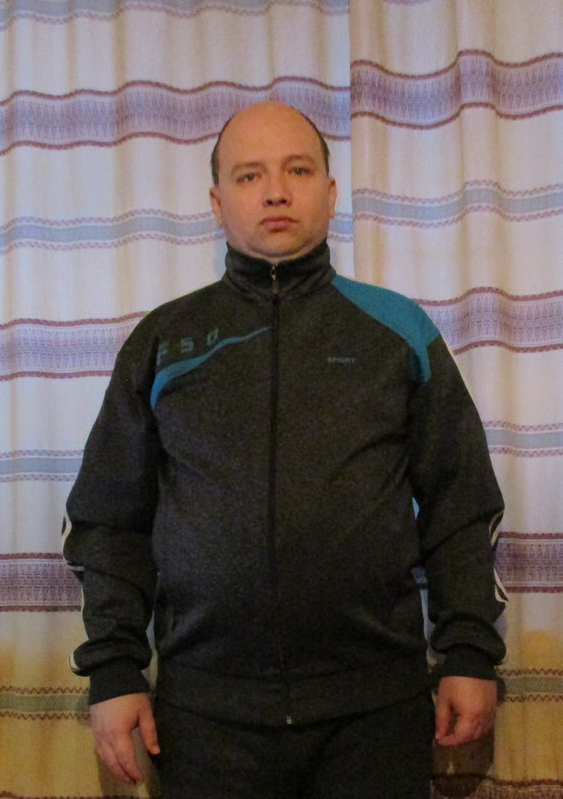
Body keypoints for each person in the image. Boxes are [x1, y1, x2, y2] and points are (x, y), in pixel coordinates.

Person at [63, 100, 507, 799]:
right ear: (217, 202)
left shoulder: (399, 331)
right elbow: (109, 521)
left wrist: (469, 652)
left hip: (375, 712)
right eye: (249, 175)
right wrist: (114, 670)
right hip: (205, 716)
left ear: (329, 193)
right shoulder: (163, 341)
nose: (275, 191)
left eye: (296, 170)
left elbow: (460, 504)